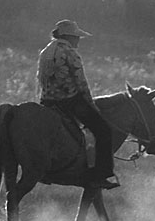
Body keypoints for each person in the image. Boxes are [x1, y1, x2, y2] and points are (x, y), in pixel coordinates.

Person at [37, 19, 120, 189]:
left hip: (47, 101)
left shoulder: (45, 51)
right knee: (103, 130)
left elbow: (40, 78)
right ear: (70, 37)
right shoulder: (70, 53)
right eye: (77, 37)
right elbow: (81, 83)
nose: (79, 40)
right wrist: (91, 105)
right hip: (68, 101)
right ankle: (101, 174)